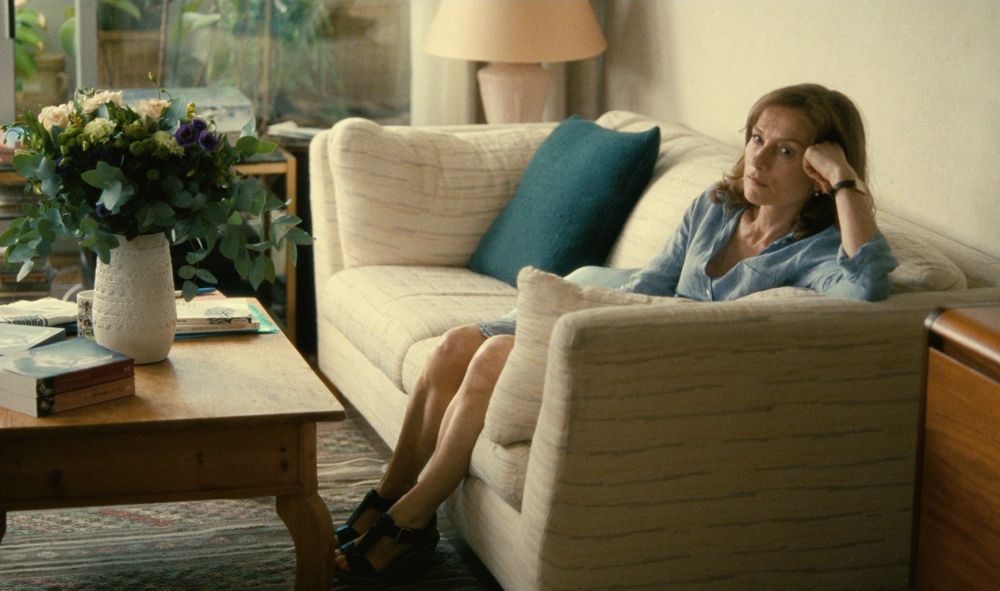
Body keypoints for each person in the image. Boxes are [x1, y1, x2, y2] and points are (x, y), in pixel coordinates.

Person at [331, 83, 898, 583]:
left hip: (649, 353)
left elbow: (867, 284)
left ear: (819, 171)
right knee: (455, 344)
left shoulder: (817, 250)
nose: (759, 159)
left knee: (494, 355)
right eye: (756, 138)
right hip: (614, 311)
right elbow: (651, 282)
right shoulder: (717, 205)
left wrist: (845, 181)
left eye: (787, 151)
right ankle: (390, 495)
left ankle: (412, 520)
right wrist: (578, 315)